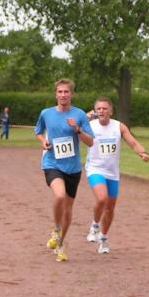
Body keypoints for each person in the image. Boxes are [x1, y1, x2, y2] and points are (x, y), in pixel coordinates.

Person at [35, 79, 94, 262]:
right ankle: (56, 229)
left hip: (73, 168)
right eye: (60, 92)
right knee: (59, 196)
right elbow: (38, 132)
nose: (63, 95)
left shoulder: (80, 115)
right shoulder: (46, 113)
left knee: (68, 209)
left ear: (71, 94)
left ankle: (61, 244)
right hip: (52, 163)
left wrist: (77, 129)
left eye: (66, 92)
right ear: (55, 94)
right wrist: (43, 142)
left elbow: (90, 142)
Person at [85, 97, 149, 254]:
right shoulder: (89, 126)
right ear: (95, 111)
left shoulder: (119, 126)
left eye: (105, 108)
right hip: (95, 169)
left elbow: (133, 143)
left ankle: (103, 238)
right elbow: (72, 128)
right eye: (99, 109)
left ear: (111, 111)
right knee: (102, 198)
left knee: (110, 208)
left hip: (113, 172)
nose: (102, 111)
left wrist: (142, 153)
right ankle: (94, 226)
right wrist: (84, 118)